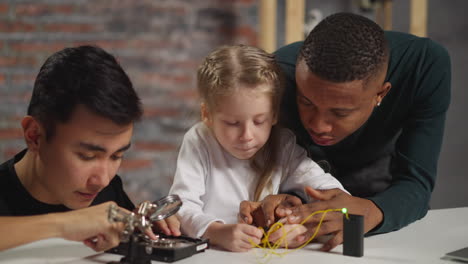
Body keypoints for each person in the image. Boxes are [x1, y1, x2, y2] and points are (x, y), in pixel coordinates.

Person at [238, 12, 451, 251]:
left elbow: (416, 183)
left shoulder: (424, 65)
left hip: (378, 202)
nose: (318, 126)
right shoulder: (276, 77)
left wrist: (371, 210)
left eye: (340, 113)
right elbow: (275, 171)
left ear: (380, 94)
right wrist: (281, 198)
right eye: (306, 102)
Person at [0, 45, 180, 252]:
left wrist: (141, 224)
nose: (102, 181)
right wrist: (67, 224)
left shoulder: (108, 190)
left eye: (117, 156)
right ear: (35, 136)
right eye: (87, 156)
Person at [169, 44, 347, 252]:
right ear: (207, 114)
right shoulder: (199, 141)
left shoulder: (283, 144)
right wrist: (215, 232)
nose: (247, 136)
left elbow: (335, 196)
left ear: (274, 114)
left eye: (259, 121)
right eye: (232, 123)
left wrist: (300, 224)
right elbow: (180, 207)